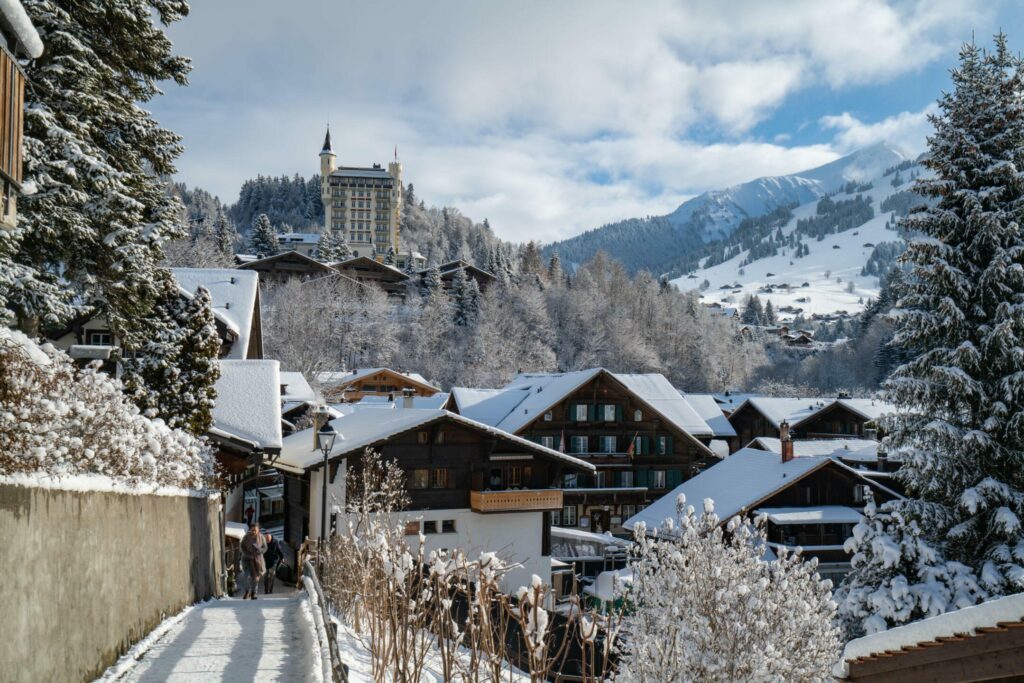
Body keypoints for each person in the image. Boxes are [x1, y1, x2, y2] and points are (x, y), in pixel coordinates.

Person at [239, 523, 267, 600]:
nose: (253, 532)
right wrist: (247, 554)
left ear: (258, 530)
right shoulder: (246, 537)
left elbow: (265, 548)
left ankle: (254, 593)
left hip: (257, 560)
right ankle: (247, 591)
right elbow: (242, 547)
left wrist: (259, 551)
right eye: (252, 530)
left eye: (255, 530)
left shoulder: (261, 537)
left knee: (255, 577)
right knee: (247, 576)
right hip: (247, 560)